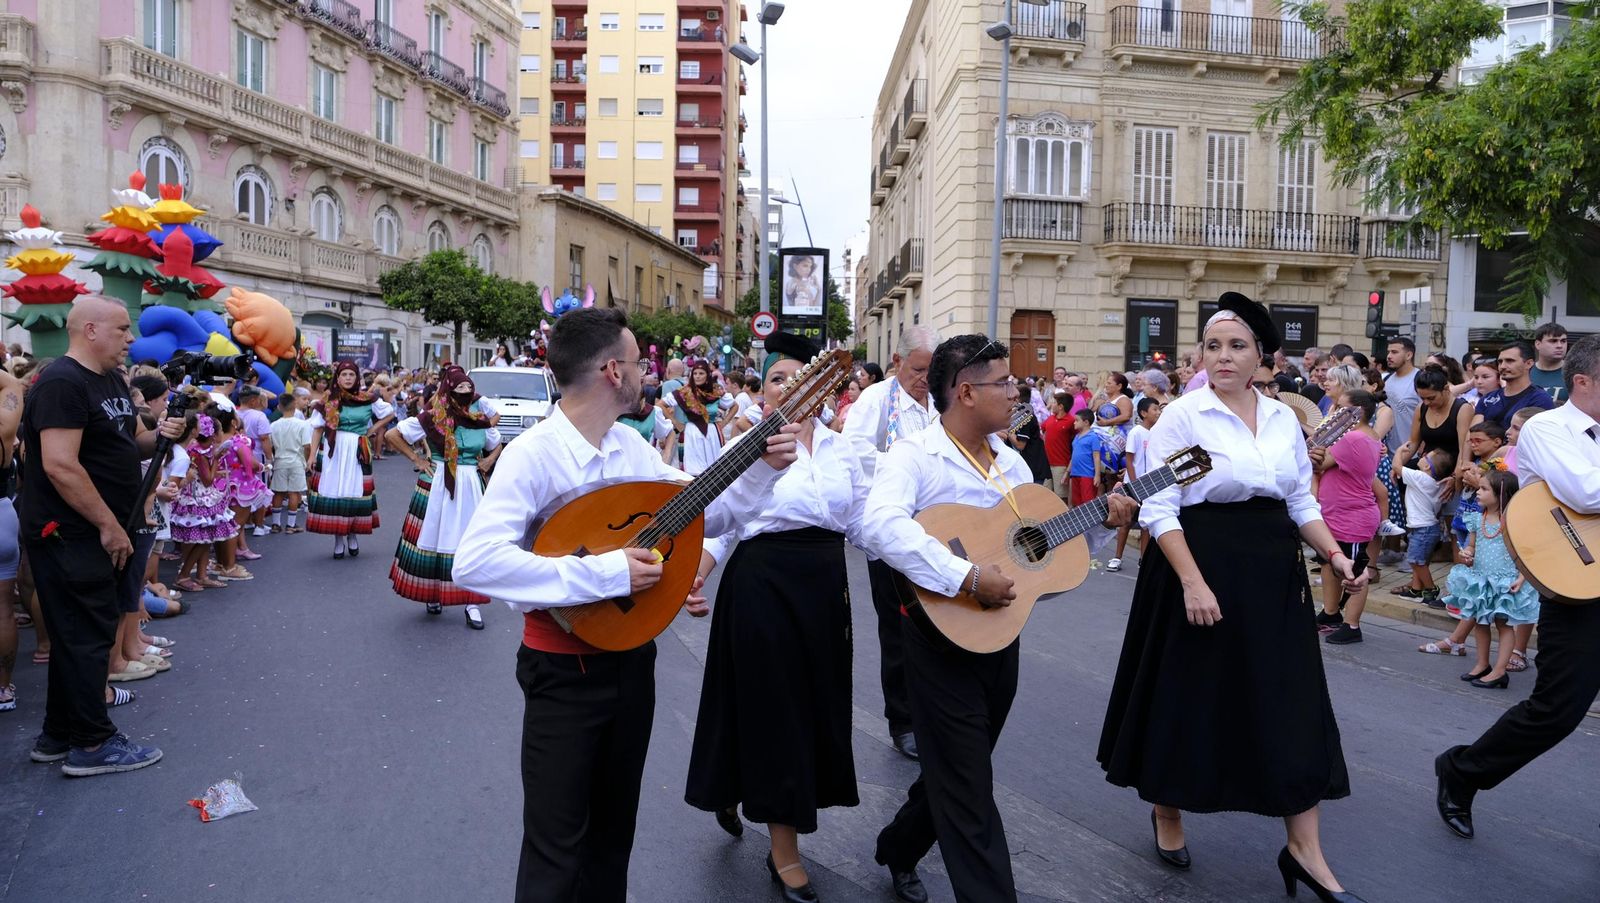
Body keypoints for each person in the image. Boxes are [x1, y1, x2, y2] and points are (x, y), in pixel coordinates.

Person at [450, 307, 798, 903]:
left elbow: (701, 509)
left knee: (614, 839)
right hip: (562, 673)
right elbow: (475, 562)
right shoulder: (534, 454)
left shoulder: (630, 450)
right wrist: (606, 573)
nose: (648, 373)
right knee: (556, 848)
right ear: (613, 370)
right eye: (639, 362)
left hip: (631, 664)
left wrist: (759, 467)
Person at [1098, 292, 1368, 901]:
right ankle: (1168, 812)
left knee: (1290, 703)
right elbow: (1160, 504)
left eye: (1237, 346)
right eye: (1213, 346)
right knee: (1188, 696)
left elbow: (1301, 501)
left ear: (1261, 358)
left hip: (1272, 575)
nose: (1223, 357)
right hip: (1197, 563)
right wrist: (1193, 581)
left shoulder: (1280, 421)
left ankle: (1305, 851)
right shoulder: (1183, 418)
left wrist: (1335, 555)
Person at [870, 334, 1136, 903]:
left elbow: (1043, 555)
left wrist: (1099, 519)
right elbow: (881, 527)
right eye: (1003, 383)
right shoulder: (914, 456)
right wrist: (964, 577)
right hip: (936, 640)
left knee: (959, 768)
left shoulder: (1012, 463)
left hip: (999, 639)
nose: (1016, 391)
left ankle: (898, 845)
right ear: (966, 392)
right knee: (969, 786)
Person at [685, 332, 868, 903]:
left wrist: (939, 573)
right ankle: (784, 851)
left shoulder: (844, 451)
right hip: (764, 585)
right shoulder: (742, 446)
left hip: (824, 589)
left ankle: (733, 782)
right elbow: (723, 517)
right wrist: (701, 567)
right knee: (777, 711)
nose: (789, 385)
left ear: (824, 384)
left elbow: (868, 525)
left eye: (798, 375)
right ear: (762, 394)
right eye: (776, 379)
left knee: (810, 708)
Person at [1435, 337, 1600, 841]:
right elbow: (1586, 493)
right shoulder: (1550, 428)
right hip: (1577, 579)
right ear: (1584, 382)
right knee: (1556, 711)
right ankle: (1463, 771)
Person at [21, 296, 183, 776]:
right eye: (121, 330)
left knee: (79, 633)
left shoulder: (111, 378)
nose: (130, 338)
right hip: (72, 532)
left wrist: (167, 432)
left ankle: (60, 733)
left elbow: (132, 439)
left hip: (104, 528)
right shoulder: (62, 383)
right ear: (89, 330)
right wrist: (109, 526)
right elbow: (59, 463)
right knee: (89, 634)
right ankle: (92, 743)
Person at [842, 325, 941, 760]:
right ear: (897, 363)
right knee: (898, 626)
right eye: (919, 370)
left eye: (932, 371)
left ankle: (935, 713)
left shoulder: (941, 399)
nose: (925, 379)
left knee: (941, 623)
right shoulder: (875, 400)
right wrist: (905, 466)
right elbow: (854, 452)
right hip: (890, 528)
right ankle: (902, 720)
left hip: (938, 527)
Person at [385, 366, 503, 629]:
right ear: (448, 390)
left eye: (468, 389)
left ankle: (472, 602)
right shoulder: (432, 418)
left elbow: (497, 444)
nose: (465, 393)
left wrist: (488, 461)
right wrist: (416, 458)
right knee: (436, 538)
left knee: (470, 540)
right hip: (438, 481)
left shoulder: (479, 419)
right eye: (459, 388)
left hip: (471, 482)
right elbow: (394, 434)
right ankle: (433, 594)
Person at [1443, 467, 1539, 689]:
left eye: (1484, 489)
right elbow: (1473, 545)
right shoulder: (1478, 518)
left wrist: (1522, 577)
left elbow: (1527, 552)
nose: (1478, 492)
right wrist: (1467, 554)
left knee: (1504, 625)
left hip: (1505, 582)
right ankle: (1482, 664)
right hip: (1482, 581)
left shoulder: (1512, 521)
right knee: (1480, 623)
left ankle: (1499, 670)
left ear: (1501, 495)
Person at [1311, 391, 1385, 646]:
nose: (1333, 411)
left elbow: (1319, 463)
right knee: (1330, 564)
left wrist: (1318, 446)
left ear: (1357, 412)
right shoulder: (1364, 435)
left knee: (1355, 573)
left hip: (1351, 516)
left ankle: (1351, 624)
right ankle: (1331, 613)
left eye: (1340, 407)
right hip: (1337, 514)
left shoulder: (1353, 437)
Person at [307, 360, 394, 559]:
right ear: (337, 378)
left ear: (357, 378)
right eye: (344, 375)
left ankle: (353, 534)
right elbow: (318, 428)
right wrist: (311, 455)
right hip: (332, 450)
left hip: (357, 449)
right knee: (336, 492)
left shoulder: (367, 398)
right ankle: (338, 539)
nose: (347, 378)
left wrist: (371, 430)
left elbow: (389, 413)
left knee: (354, 492)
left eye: (351, 375)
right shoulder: (329, 399)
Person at [1393, 448, 1453, 604]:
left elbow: (1397, 467)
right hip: (1428, 528)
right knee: (1421, 560)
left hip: (1423, 529)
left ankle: (1431, 588)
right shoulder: (1436, 484)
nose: (1422, 455)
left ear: (1427, 467)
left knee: (1415, 560)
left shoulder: (1420, 477)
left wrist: (1399, 451)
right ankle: (1416, 589)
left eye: (1426, 456)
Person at [1109, 396, 1162, 572]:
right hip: (1134, 485)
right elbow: (1130, 459)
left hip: (1150, 485)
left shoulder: (1157, 432)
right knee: (1126, 521)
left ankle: (1143, 559)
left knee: (1145, 525)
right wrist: (1134, 482)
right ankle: (1117, 557)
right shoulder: (1136, 432)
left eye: (1159, 409)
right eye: (1155, 409)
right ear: (1143, 413)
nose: (1158, 412)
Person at [663, 360, 734, 476]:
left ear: (707, 375)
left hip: (712, 434)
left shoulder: (715, 392)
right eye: (695, 373)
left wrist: (724, 423)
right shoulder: (685, 392)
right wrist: (676, 423)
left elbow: (734, 406)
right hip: (692, 433)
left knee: (714, 470)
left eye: (701, 373)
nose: (697, 376)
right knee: (693, 472)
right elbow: (661, 404)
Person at [1474, 340, 1554, 431]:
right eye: (1500, 362)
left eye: (1509, 361)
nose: (1502, 366)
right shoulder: (1487, 398)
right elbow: (1472, 436)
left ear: (1528, 363)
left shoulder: (1540, 399)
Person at [268, 392, 315, 533]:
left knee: (278, 492)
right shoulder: (302, 425)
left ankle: (276, 524)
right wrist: (308, 461)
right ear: (295, 405)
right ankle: (291, 525)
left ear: (279, 407)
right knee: (294, 492)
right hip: (296, 461)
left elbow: (270, 445)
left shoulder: (274, 425)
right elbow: (307, 446)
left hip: (280, 461)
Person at [1383, 337, 1421, 453]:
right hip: (1386, 453)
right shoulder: (1386, 380)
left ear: (1409, 355)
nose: (1389, 356)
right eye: (1388, 352)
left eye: (1394, 352)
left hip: (1411, 454)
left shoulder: (1419, 379)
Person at [1008, 385, 1051, 487]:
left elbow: (1020, 445)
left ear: (1017, 398)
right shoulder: (1017, 415)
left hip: (1032, 467)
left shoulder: (1026, 415)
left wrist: (1008, 431)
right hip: (1024, 467)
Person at [1040, 391, 1075, 501]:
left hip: (1061, 464)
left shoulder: (1071, 421)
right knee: (1046, 494)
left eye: (1054, 403)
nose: (1051, 405)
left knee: (1061, 496)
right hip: (1046, 463)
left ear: (1060, 406)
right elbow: (1043, 430)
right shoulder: (1050, 418)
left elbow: (1075, 441)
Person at [1529, 322, 1567, 404]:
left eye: (1563, 341)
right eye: (1553, 341)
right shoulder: (1525, 372)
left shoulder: (1576, 372)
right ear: (1538, 344)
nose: (1560, 345)